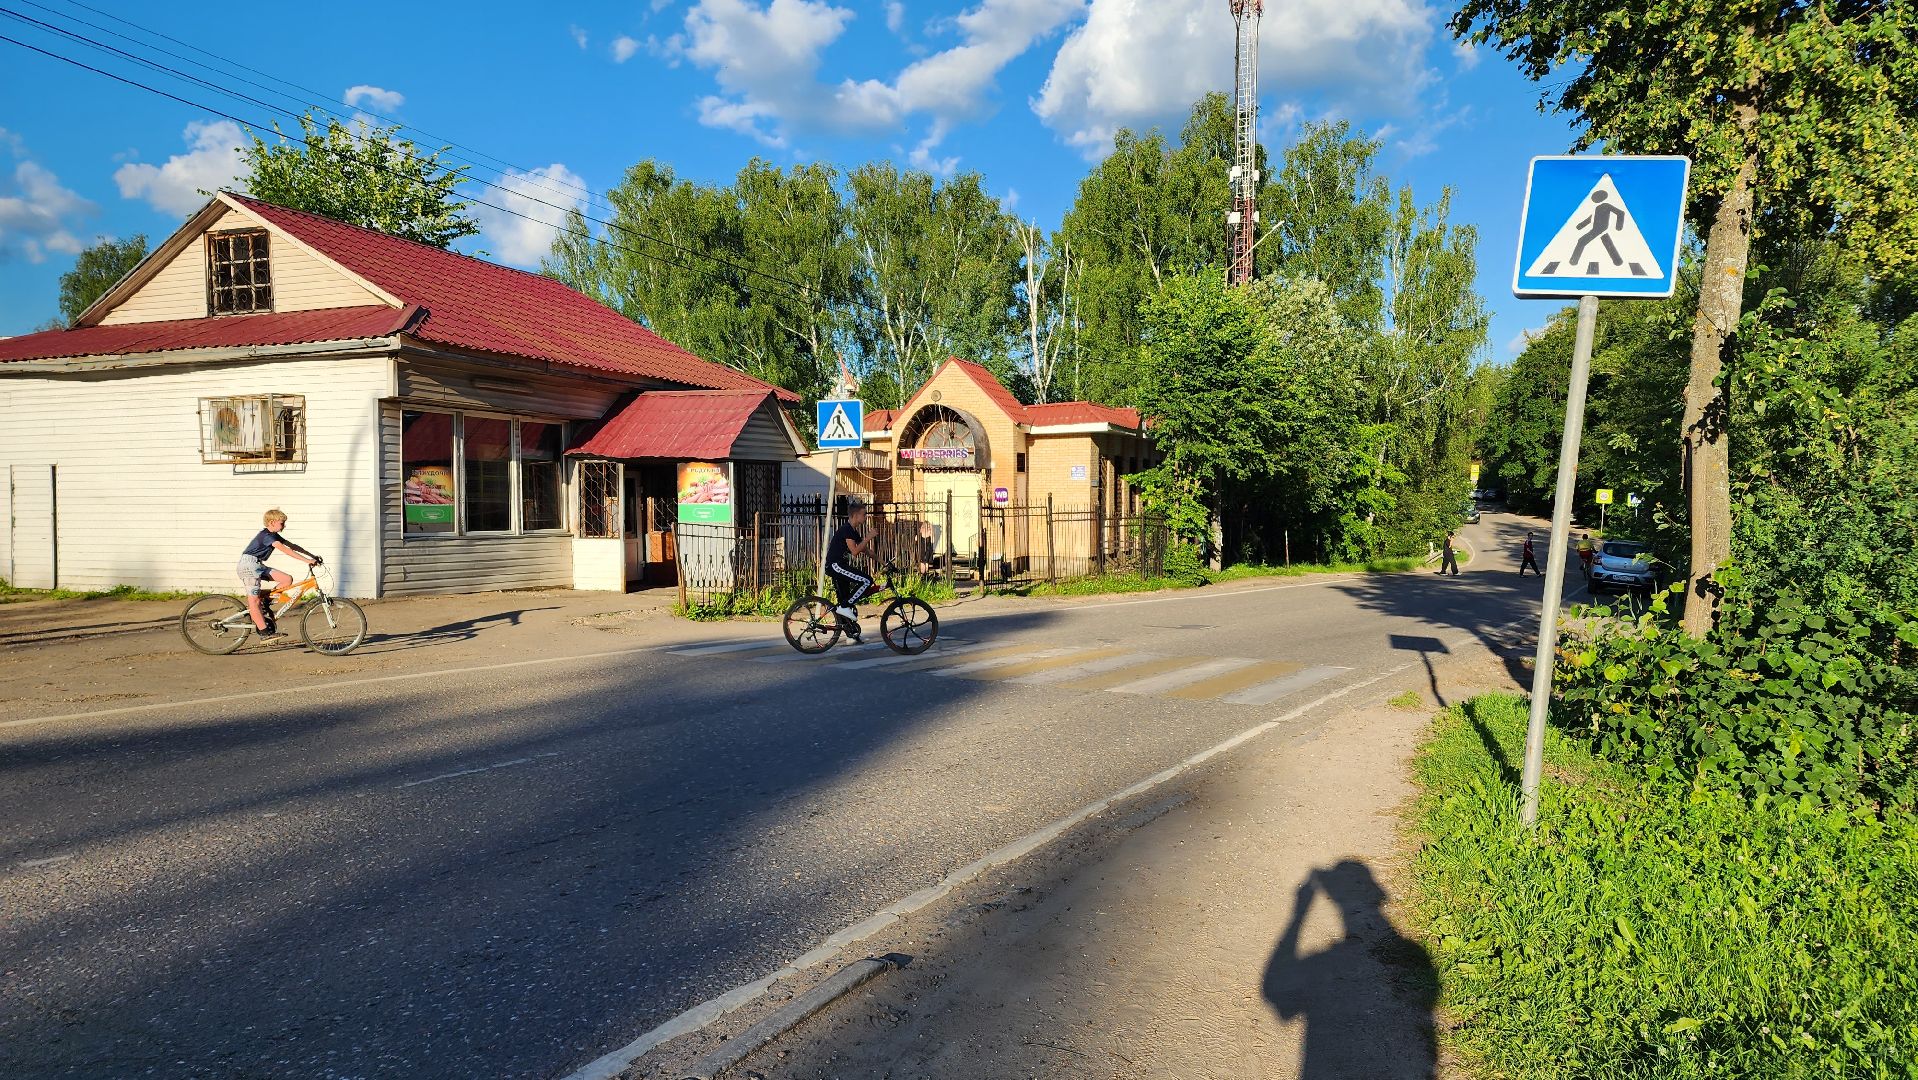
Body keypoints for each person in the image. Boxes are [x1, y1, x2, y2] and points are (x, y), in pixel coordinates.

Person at [238, 508, 319, 636]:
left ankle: (265, 600)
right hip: (248, 565)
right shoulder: (267, 536)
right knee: (254, 601)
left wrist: (312, 556)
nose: (284, 526)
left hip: (257, 564)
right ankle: (264, 633)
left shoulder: (273, 535)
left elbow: (292, 546)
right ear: (272, 522)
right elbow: (286, 550)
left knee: (287, 579)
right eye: (282, 523)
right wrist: (307, 561)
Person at [826, 502, 874, 639]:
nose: (866, 517)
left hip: (840, 566)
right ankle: (845, 606)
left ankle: (850, 633)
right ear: (856, 515)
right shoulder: (846, 529)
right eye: (864, 514)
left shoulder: (853, 531)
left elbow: (867, 551)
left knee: (844, 600)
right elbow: (855, 551)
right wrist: (868, 538)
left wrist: (885, 563)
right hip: (835, 565)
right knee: (866, 581)